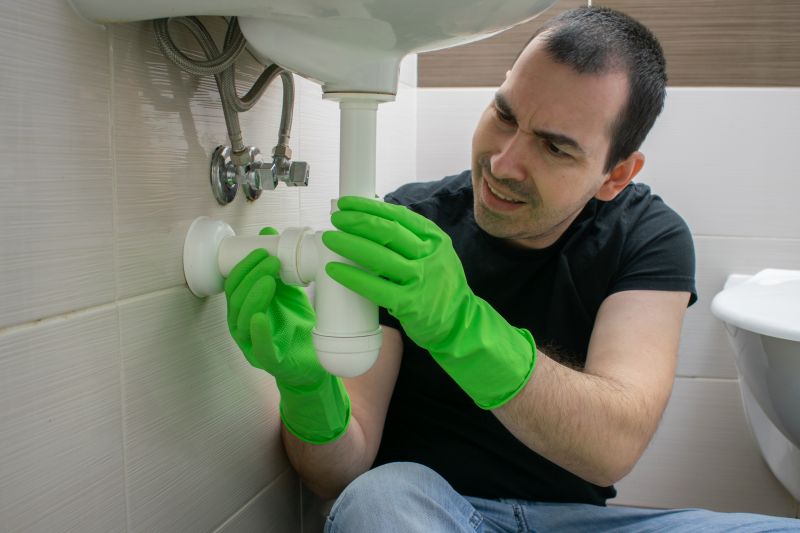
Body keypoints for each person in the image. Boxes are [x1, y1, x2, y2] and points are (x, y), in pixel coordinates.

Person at [224, 6, 800, 532]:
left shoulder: (647, 235)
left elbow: (613, 443)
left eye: (554, 148)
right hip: (425, 509)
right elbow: (338, 478)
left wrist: (460, 326)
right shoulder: (410, 227)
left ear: (615, 175)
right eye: (504, 115)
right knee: (379, 497)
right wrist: (307, 390)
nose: (503, 163)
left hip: (574, 522)